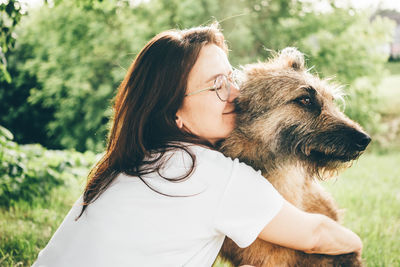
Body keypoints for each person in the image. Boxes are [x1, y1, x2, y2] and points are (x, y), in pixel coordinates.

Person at [32, 23, 362, 267]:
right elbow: (320, 235)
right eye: (216, 86)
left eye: (230, 77)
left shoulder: (140, 160)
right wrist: (355, 242)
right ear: (175, 113)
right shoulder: (207, 173)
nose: (236, 94)